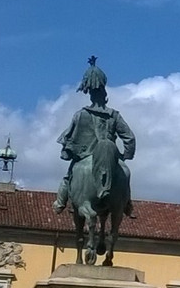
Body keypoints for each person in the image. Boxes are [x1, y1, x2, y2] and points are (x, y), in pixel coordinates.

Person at [52, 56, 137, 218]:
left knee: (68, 176)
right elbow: (130, 138)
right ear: (104, 91)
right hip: (111, 157)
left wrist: (71, 153)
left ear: (90, 93)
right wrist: (123, 158)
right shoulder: (114, 115)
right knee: (125, 174)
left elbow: (69, 140)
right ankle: (127, 203)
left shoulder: (80, 115)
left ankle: (60, 203)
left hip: (86, 156)